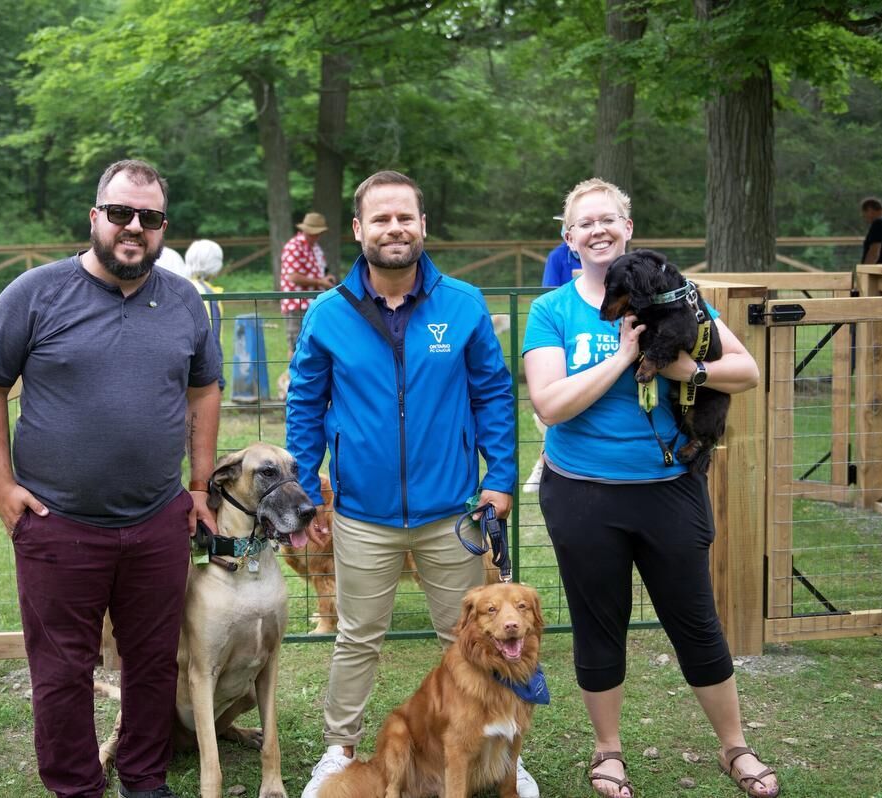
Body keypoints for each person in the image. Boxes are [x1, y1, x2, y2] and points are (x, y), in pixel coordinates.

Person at [0, 158, 222, 798]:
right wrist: (3, 487)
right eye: (121, 213)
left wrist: (197, 486)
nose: (134, 227)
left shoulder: (185, 300)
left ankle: (143, 778)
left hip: (158, 519)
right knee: (60, 670)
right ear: (95, 217)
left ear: (163, 226)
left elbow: (205, 389)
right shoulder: (34, 293)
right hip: (58, 523)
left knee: (154, 661)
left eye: (150, 217)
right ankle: (76, 787)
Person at [522, 178, 779, 798]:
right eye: (585, 223)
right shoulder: (552, 310)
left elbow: (745, 370)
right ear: (569, 238)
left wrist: (683, 365)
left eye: (609, 219)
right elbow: (550, 404)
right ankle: (608, 751)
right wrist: (623, 355)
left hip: (667, 488)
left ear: (628, 229)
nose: (598, 230)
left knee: (696, 621)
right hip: (582, 493)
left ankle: (735, 746)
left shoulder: (674, 294)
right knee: (597, 622)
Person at [286, 170, 538, 798]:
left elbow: (492, 395)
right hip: (362, 512)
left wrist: (500, 476)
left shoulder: (462, 304)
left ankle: (503, 750)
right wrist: (309, 492)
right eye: (381, 219)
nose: (394, 229)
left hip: (452, 508)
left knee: (474, 636)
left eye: (405, 217)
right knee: (356, 636)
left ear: (423, 225)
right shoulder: (328, 312)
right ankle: (339, 746)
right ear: (358, 230)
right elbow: (305, 407)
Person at [525, 215, 580, 493]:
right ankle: (546, 460)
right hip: (563, 335)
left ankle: (544, 460)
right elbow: (549, 293)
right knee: (554, 406)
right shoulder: (559, 257)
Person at [159, 240, 227, 391]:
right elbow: (212, 338)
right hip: (200, 374)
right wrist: (219, 381)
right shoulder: (208, 294)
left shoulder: (177, 286)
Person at [279, 211, 337, 386]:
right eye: (313, 232)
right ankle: (292, 383)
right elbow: (292, 277)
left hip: (314, 304)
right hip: (296, 304)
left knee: (314, 345)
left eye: (317, 232)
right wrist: (320, 282)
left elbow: (321, 271)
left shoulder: (316, 248)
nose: (315, 235)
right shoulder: (293, 246)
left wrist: (328, 278)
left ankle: (305, 382)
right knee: (296, 345)